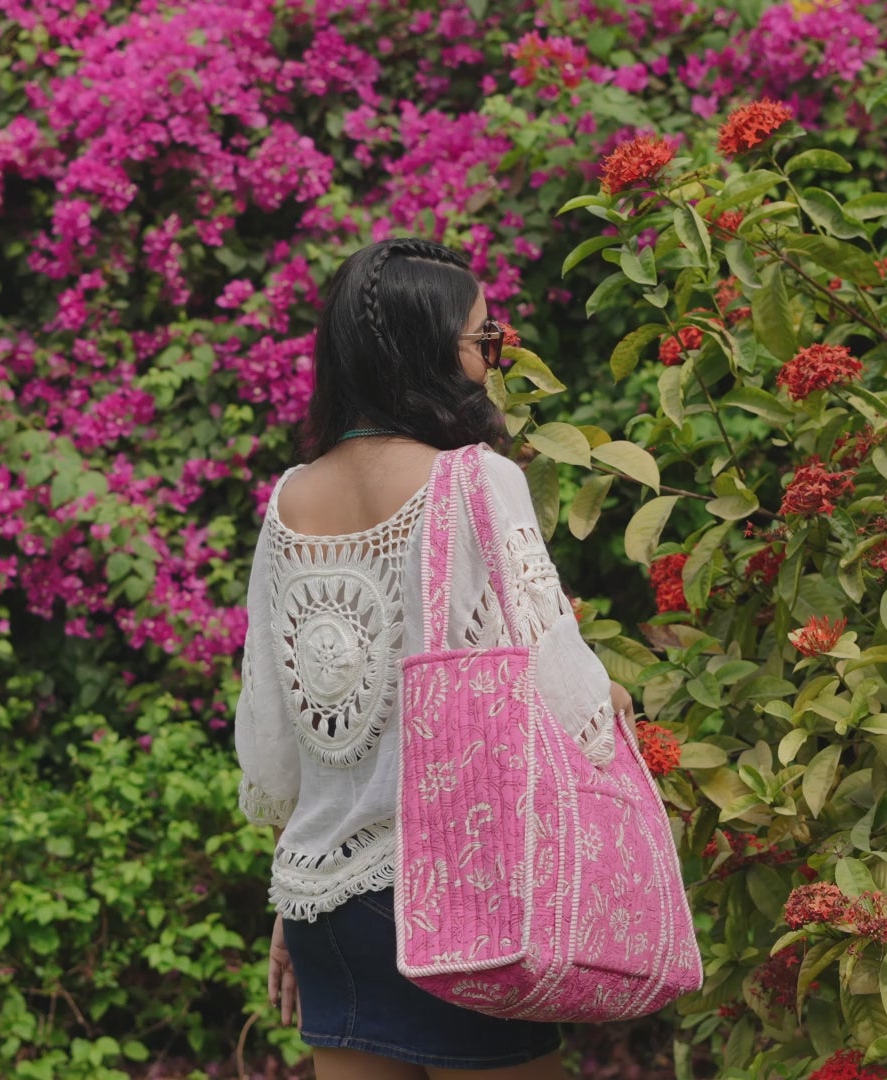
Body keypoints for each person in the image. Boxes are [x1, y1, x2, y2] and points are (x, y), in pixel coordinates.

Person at [233, 237, 637, 1079]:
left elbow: (279, 732)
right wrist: (615, 708)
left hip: (325, 906)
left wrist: (295, 896)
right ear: (427, 351)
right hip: (463, 896)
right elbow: (567, 695)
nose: (495, 359)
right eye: (486, 340)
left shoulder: (289, 502)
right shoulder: (475, 480)